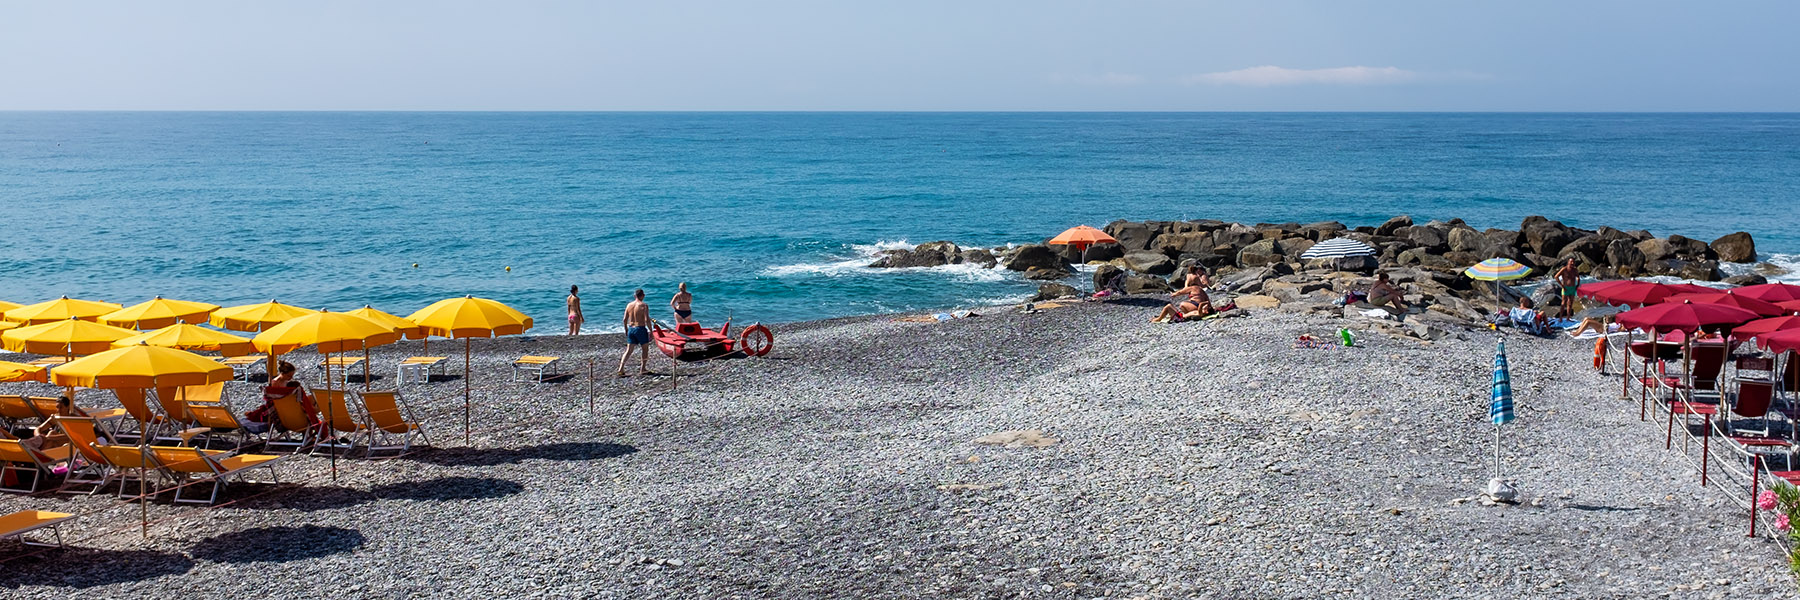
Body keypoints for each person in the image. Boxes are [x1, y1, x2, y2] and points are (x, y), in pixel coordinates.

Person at [246, 360, 318, 436]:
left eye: (292, 376)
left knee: (313, 399)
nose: (291, 378)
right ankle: (310, 427)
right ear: (282, 373)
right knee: (311, 409)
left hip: (288, 406)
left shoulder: (285, 382)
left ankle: (309, 426)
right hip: (284, 411)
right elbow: (279, 400)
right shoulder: (275, 384)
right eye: (289, 376)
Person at [617, 289, 652, 377]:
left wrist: (626, 329)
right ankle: (643, 368)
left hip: (631, 328)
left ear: (634, 296)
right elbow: (647, 320)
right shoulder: (644, 305)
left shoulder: (629, 305)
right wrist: (651, 330)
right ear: (643, 295)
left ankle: (621, 368)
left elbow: (624, 319)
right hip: (640, 328)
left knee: (628, 350)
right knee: (645, 349)